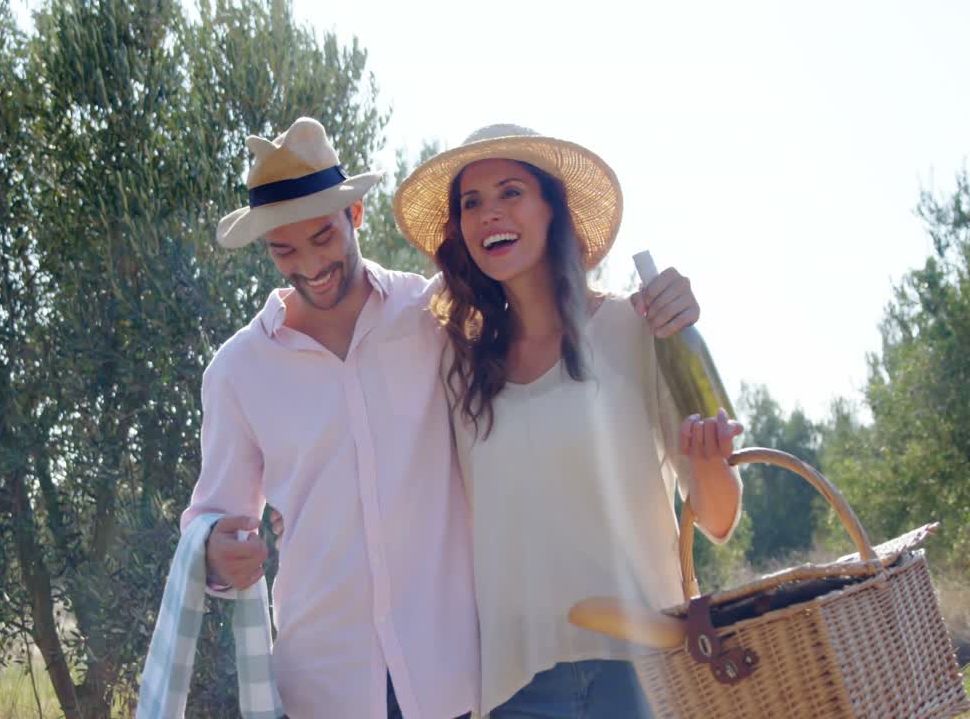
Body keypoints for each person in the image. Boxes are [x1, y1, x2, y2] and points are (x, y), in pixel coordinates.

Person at [181, 117, 702, 718]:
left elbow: (543, 312)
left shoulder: (433, 318)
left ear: (355, 218)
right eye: (283, 249)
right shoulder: (238, 373)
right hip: (323, 689)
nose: (309, 263)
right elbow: (212, 521)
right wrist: (217, 553)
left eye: (322, 237)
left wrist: (666, 304)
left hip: (454, 682)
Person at [390, 124, 745, 718]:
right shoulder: (456, 362)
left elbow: (718, 518)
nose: (488, 215)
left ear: (553, 209)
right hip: (512, 686)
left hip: (643, 675)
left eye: (510, 192)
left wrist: (709, 464)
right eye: (470, 203)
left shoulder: (636, 328)